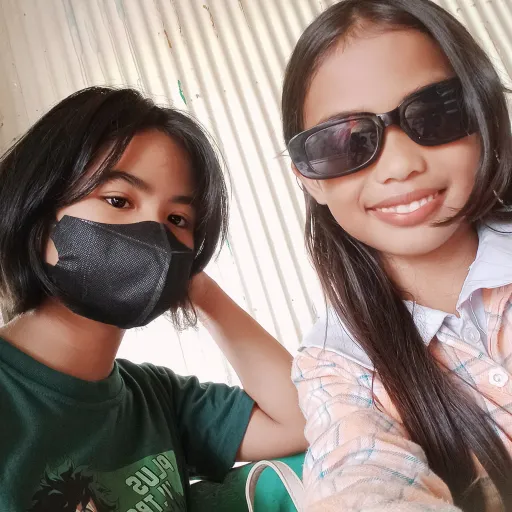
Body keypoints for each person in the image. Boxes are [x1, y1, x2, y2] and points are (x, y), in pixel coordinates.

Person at [0, 87, 306, 511]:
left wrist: (202, 292)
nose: (156, 237)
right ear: (38, 210)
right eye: (118, 200)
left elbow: (309, 421)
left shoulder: (157, 399)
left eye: (177, 219)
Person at [282, 0, 512, 510]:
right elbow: (360, 474)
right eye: (345, 141)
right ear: (309, 179)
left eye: (434, 114)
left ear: (483, 116)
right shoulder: (337, 364)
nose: (400, 165)